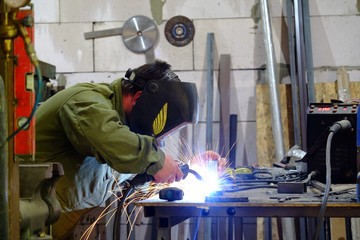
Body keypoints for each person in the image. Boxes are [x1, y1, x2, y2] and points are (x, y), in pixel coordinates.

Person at [34, 60, 223, 239]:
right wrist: (157, 161)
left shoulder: (123, 132)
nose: (158, 140)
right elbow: (113, 141)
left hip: (56, 215)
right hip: (30, 214)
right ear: (138, 98)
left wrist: (186, 168)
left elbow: (129, 164)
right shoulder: (86, 103)